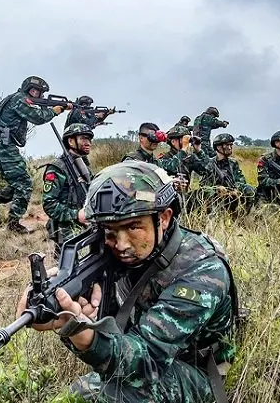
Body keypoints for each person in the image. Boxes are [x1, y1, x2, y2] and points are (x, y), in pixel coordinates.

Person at [16, 161, 240, 402]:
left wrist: (85, 337)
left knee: (114, 394)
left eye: (133, 227)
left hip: (198, 367)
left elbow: (148, 361)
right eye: (109, 230)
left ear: (164, 218)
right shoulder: (124, 254)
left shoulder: (202, 270)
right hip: (144, 347)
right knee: (77, 395)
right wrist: (65, 303)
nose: (121, 244)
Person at [0, 76, 71, 233]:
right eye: (36, 91)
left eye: (40, 93)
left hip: (1, 145)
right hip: (3, 146)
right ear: (29, 89)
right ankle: (13, 224)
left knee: (19, 183)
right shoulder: (20, 99)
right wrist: (55, 111)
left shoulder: (16, 98)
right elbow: (38, 117)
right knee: (24, 183)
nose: (38, 95)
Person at [42, 123, 94, 257]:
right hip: (65, 230)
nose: (88, 143)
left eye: (89, 139)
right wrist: (76, 215)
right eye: (83, 139)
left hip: (86, 226)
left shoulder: (84, 167)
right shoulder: (57, 168)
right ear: (71, 141)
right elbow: (49, 204)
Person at [199, 133, 255, 215]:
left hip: (233, 195)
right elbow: (203, 186)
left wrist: (236, 189)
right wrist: (217, 189)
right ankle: (213, 216)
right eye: (227, 145)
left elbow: (241, 180)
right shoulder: (210, 164)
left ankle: (244, 216)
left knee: (249, 189)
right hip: (217, 197)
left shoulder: (233, 163)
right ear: (218, 147)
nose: (229, 148)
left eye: (231, 145)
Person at [157, 125, 208, 189]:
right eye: (183, 140)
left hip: (184, 194)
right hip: (168, 193)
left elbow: (206, 170)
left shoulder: (189, 157)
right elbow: (174, 167)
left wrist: (199, 151)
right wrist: (183, 150)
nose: (186, 143)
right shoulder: (164, 158)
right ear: (173, 142)